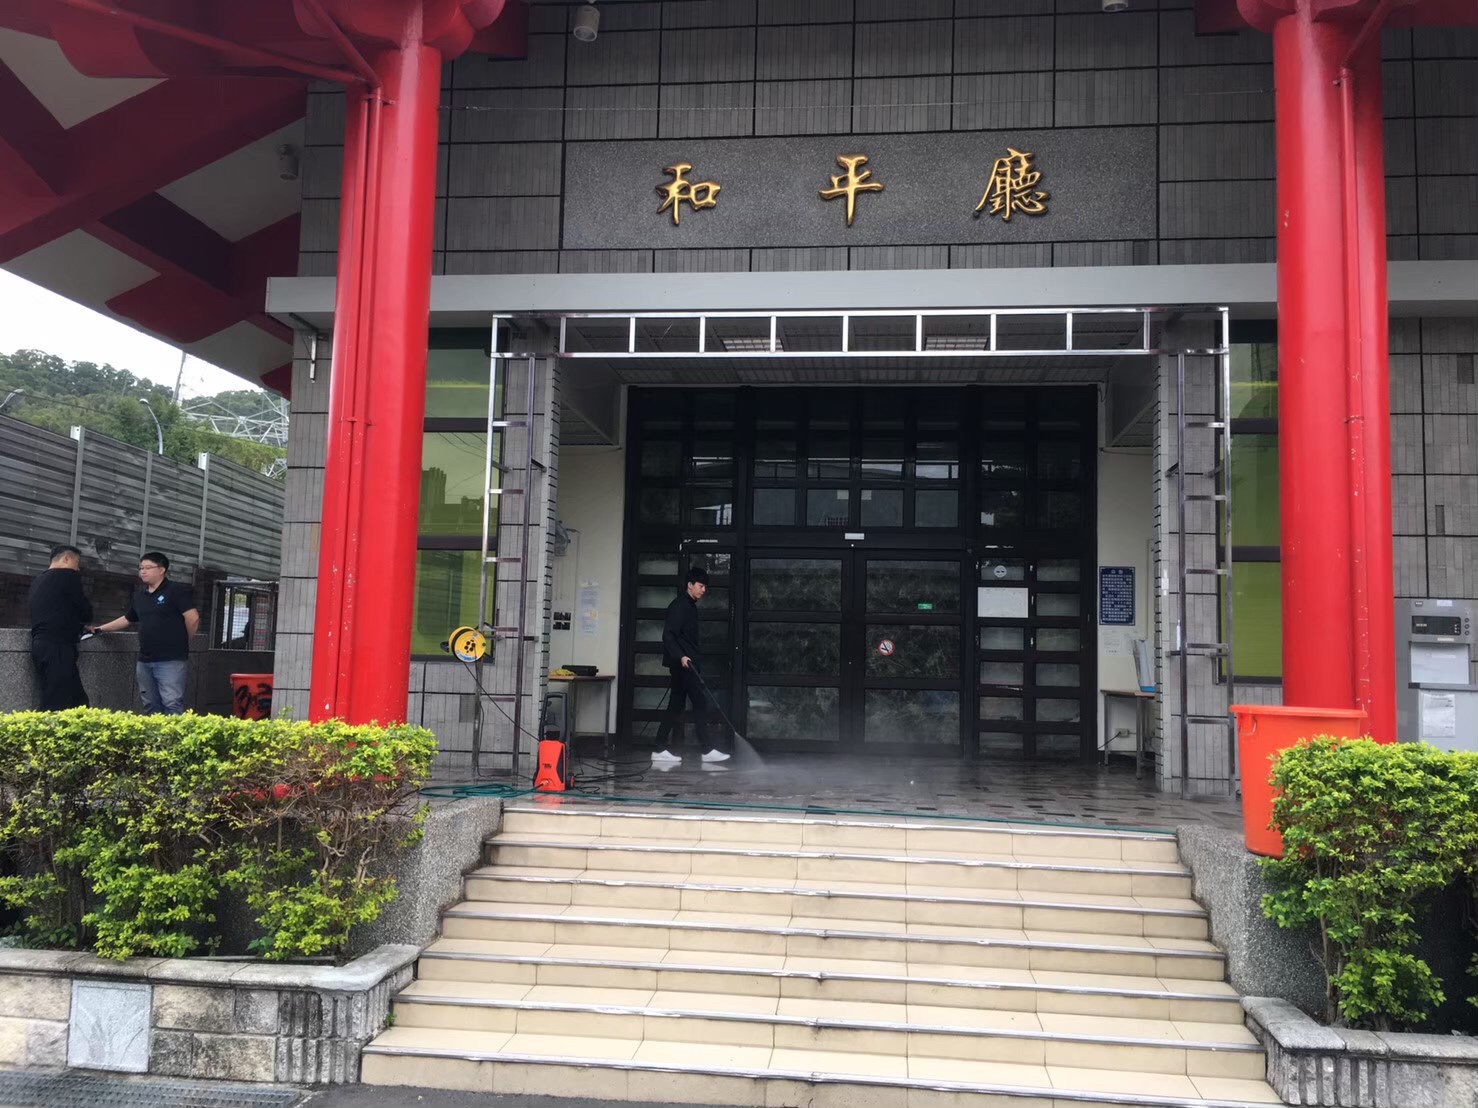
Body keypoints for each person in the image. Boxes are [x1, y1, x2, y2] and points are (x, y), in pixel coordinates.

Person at [90, 551, 199, 715]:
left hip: (171, 658)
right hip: (145, 659)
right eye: (141, 568)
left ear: (161, 570)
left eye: (148, 568)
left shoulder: (175, 591)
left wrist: (184, 639)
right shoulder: (140, 597)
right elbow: (127, 619)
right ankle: (155, 732)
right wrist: (100, 628)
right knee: (150, 704)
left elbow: (193, 618)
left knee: (172, 702)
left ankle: (173, 732)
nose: (143, 572)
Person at [651, 566, 730, 765]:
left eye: (705, 587)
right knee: (699, 702)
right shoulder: (679, 606)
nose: (704, 590)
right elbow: (668, 635)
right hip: (683, 665)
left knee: (675, 705)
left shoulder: (689, 606)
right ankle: (706, 749)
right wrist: (681, 657)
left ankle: (659, 748)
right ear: (690, 585)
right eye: (701, 586)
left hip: (686, 664)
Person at [27, 544, 93, 710]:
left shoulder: (38, 580)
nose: (78, 569)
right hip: (58, 647)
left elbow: (55, 610)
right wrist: (85, 621)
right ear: (66, 559)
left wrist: (78, 626)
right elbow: (83, 609)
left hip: (41, 645)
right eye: (77, 563)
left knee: (77, 702)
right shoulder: (68, 576)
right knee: (57, 703)